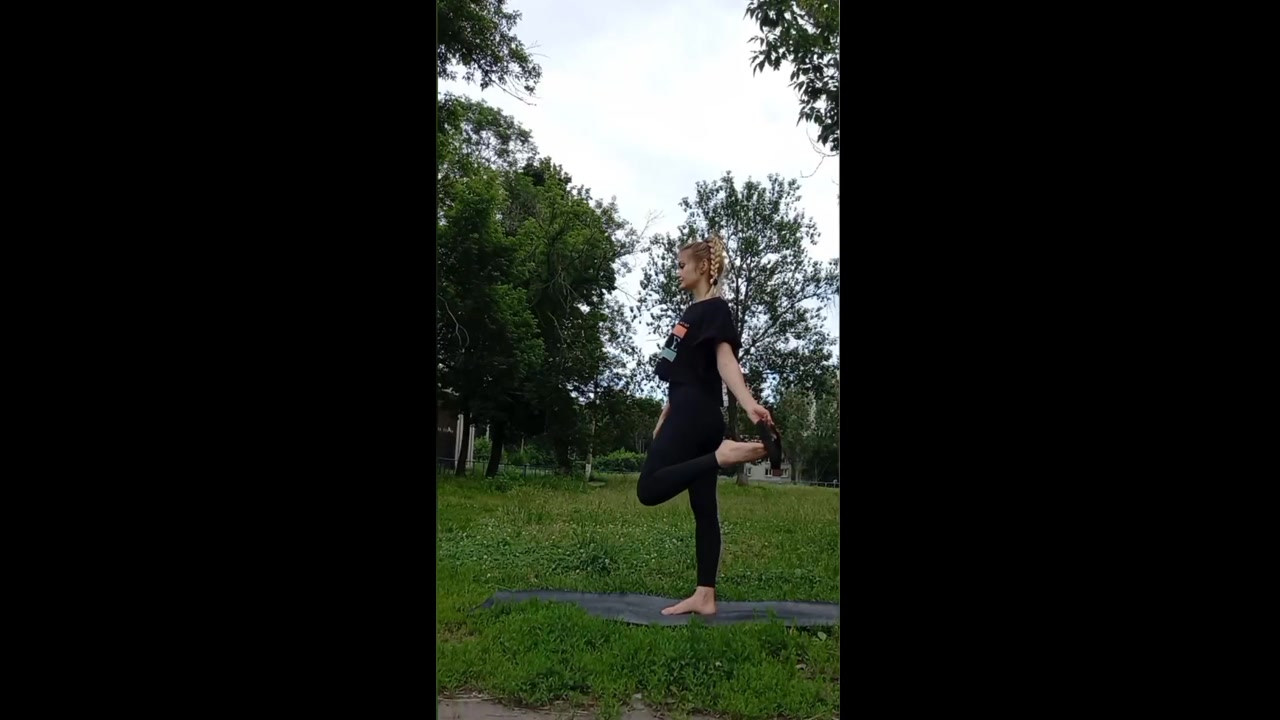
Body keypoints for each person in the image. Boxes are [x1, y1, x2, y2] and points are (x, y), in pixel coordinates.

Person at [637, 231, 776, 616]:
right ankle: (705, 595)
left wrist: (749, 404)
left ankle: (723, 456)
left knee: (648, 488)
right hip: (691, 411)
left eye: (682, 265)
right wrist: (667, 409)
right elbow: (686, 370)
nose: (677, 271)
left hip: (694, 415)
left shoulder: (714, 309)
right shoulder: (690, 314)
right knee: (704, 509)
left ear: (701, 267)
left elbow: (725, 361)